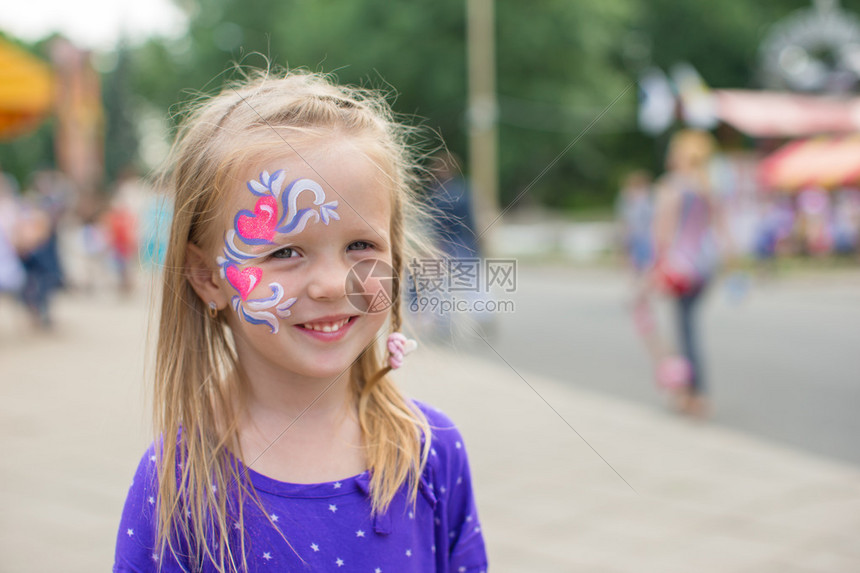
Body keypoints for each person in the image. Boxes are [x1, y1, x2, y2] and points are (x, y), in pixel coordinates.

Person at [113, 70, 488, 573]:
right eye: (285, 251)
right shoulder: (177, 485)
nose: (332, 284)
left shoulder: (431, 452)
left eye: (362, 245)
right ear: (208, 277)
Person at [649, 129, 734, 418]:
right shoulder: (708, 185)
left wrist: (656, 267)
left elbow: (663, 231)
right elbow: (721, 230)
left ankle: (690, 394)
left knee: (683, 332)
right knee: (690, 329)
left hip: (680, 267)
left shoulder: (671, 186)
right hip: (706, 266)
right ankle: (694, 393)